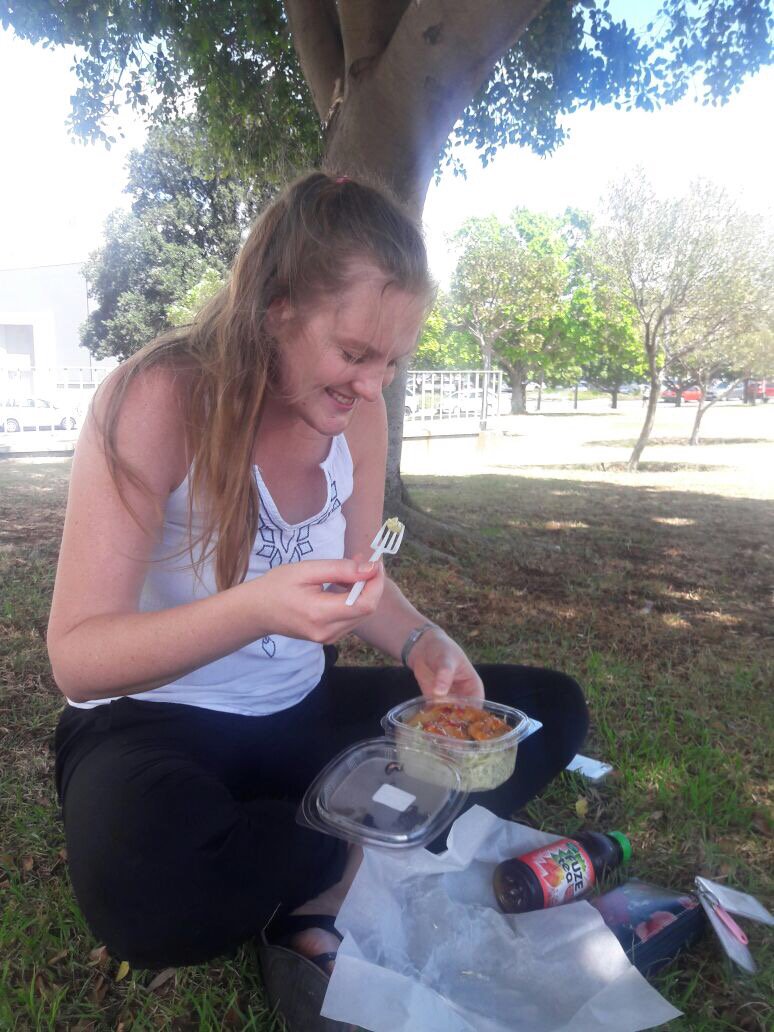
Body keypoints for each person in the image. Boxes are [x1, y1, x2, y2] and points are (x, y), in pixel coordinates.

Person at [48, 172, 588, 1018]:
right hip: (151, 726)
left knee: (548, 711)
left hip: (301, 714)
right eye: (354, 354)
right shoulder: (156, 398)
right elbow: (77, 658)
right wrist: (256, 607)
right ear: (279, 309)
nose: (373, 386)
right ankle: (352, 849)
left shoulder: (359, 421)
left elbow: (360, 581)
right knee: (148, 889)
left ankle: (306, 850)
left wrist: (421, 643)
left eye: (393, 362)